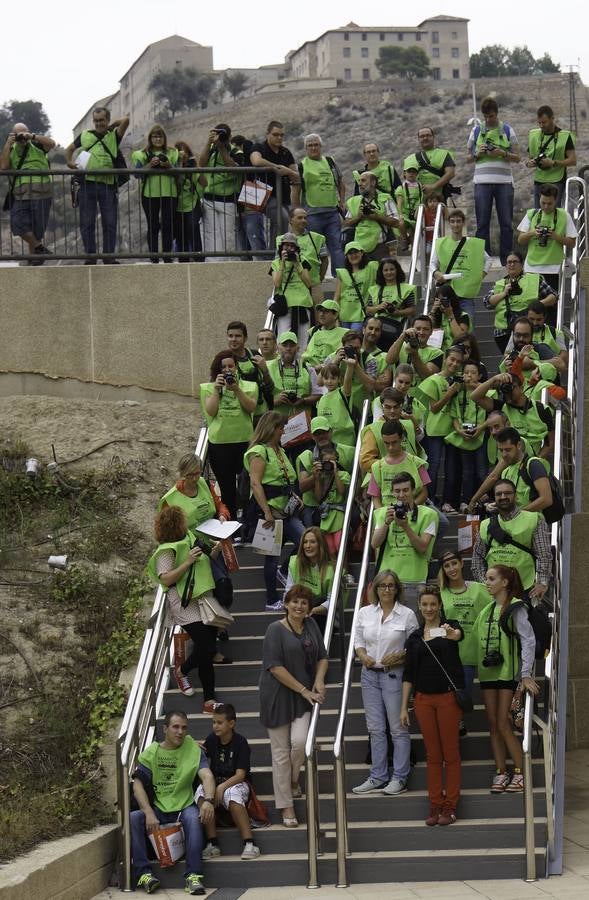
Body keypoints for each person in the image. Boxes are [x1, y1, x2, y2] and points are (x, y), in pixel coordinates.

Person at [464, 565, 539, 793]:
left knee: (504, 723)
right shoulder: (486, 609)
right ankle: (501, 772)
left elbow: (528, 641)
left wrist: (525, 674)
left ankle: (520, 772)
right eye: (486, 579)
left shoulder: (515, 607)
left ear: (505, 582)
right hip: (488, 674)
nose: (487, 583)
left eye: (491, 578)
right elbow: (473, 640)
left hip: (508, 673)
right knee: (493, 725)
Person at [259, 585, 328, 826]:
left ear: (309, 608)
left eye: (304, 603)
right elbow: (275, 668)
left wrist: (319, 681)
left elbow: (322, 656)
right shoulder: (274, 630)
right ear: (287, 603)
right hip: (277, 695)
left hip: (304, 695)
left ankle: (293, 779)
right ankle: (286, 807)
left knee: (299, 743)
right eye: (295, 602)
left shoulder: (311, 626)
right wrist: (304, 689)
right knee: (280, 754)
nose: (299, 606)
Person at [158, 452, 233, 663]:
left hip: (213, 543)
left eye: (197, 473)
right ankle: (211, 644)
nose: (194, 478)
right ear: (181, 474)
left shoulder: (203, 483)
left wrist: (222, 516)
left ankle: (218, 625)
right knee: (206, 596)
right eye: (190, 475)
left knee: (224, 589)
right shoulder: (171, 498)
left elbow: (220, 505)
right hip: (191, 552)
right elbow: (165, 530)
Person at [131, 709, 215, 895]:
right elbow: (137, 786)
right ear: (165, 729)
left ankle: (193, 876)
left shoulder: (193, 749)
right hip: (159, 808)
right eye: (175, 727)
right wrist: (149, 813)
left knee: (194, 817)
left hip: (183, 806)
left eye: (184, 728)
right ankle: (144, 874)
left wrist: (208, 800)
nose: (180, 732)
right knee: (133, 818)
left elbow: (207, 776)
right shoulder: (151, 752)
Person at [401, 584, 464, 826]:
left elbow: (458, 636)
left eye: (433, 604)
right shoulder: (415, 638)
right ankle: (435, 804)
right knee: (433, 755)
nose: (429, 608)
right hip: (423, 700)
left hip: (447, 698)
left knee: (451, 753)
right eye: (425, 604)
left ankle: (450, 806)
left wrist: (450, 633)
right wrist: (402, 707)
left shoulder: (451, 627)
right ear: (419, 606)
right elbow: (409, 674)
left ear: (440, 606)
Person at [352, 570, 419, 796]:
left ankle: (400, 777)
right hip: (369, 675)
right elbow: (358, 641)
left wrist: (400, 656)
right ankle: (378, 775)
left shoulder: (407, 614)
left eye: (391, 586)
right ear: (376, 589)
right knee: (375, 729)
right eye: (383, 586)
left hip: (394, 675)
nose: (387, 590)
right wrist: (362, 655)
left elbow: (416, 647)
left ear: (397, 588)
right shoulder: (365, 613)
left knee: (398, 729)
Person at [148, 506, 221, 706]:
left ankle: (193, 681)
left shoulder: (190, 538)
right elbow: (166, 578)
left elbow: (204, 563)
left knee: (207, 647)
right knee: (205, 647)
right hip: (183, 602)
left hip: (202, 597)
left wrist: (215, 552)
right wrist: (187, 561)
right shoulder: (166, 551)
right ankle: (204, 692)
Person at [244, 411, 305, 610]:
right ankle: (271, 599)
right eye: (281, 428)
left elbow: (286, 480)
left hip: (287, 510)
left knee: (304, 540)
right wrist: (267, 512)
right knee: (271, 558)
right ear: (271, 428)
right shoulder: (259, 451)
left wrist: (295, 498)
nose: (283, 431)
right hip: (269, 512)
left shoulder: (280, 450)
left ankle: (285, 569)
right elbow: (256, 483)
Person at [65, 105, 130, 264]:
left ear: (107, 120)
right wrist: (69, 163)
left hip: (107, 185)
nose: (99, 123)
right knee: (87, 223)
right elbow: (69, 149)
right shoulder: (85, 135)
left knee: (110, 222)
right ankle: (91, 256)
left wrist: (111, 126)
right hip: (87, 185)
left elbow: (126, 120)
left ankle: (108, 257)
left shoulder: (114, 136)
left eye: (102, 120)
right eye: (96, 120)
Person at [471, 479, 552, 602]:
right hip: (494, 595)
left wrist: (542, 582)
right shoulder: (485, 525)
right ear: (495, 498)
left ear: (516, 496)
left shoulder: (534, 519)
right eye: (499, 494)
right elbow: (477, 559)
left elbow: (543, 554)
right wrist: (486, 585)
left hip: (525, 589)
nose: (503, 497)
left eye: (507, 493)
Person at [199, 703, 261, 861]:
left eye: (219, 723)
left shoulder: (240, 742)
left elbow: (241, 775)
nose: (215, 726)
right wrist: (191, 744)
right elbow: (202, 756)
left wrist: (222, 787)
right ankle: (212, 843)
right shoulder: (212, 739)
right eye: (213, 722)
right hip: (217, 783)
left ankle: (249, 843)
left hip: (237, 783)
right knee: (202, 792)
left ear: (231, 723)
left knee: (232, 794)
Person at [200, 350, 258, 519]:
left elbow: (251, 407)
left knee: (247, 486)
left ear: (236, 367)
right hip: (220, 444)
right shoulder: (208, 388)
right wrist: (217, 390)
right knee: (227, 488)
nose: (227, 370)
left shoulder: (249, 386)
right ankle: (231, 526)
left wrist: (237, 389)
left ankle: (247, 522)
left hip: (244, 441)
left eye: (230, 366)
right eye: (223, 367)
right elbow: (210, 412)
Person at [371, 472, 438, 610]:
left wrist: (405, 526)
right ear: (392, 492)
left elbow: (422, 547)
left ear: (413, 490)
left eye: (406, 490)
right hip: (387, 582)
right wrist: (386, 523)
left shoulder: (429, 514)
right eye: (397, 491)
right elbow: (374, 543)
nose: (401, 495)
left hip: (414, 581)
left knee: (412, 628)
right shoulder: (383, 513)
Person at [467, 96, 520, 265]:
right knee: (482, 223)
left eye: (491, 116)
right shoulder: (475, 131)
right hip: (482, 183)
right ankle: (485, 260)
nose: (489, 119)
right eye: (486, 116)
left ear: (497, 113)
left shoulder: (507, 130)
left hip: (504, 183)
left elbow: (518, 157)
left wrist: (501, 153)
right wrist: (478, 153)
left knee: (506, 223)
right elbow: (467, 158)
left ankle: (507, 260)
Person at [438, 551, 490, 716]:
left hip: (483, 651)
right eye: (447, 566)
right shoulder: (440, 593)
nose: (451, 568)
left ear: (462, 563)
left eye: (454, 563)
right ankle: (458, 722)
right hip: (457, 655)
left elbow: (499, 608)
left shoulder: (479, 589)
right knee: (461, 697)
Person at [417, 345, 466, 509]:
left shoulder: (460, 380)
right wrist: (450, 392)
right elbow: (434, 408)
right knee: (434, 466)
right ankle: (429, 499)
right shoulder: (433, 380)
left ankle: (448, 501)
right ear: (445, 359)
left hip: (453, 429)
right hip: (435, 429)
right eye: (452, 359)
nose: (454, 364)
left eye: (458, 362)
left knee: (452, 467)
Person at [0, 122, 55, 263]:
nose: (21, 137)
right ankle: (39, 248)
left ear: (29, 132)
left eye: (23, 133)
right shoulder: (11, 149)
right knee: (17, 223)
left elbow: (52, 143)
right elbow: (3, 166)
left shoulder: (37, 145)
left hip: (42, 193)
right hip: (20, 194)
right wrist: (7, 144)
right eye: (18, 134)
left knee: (37, 230)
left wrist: (32, 136)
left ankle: (35, 260)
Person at [468, 426, 553, 515]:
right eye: (501, 450)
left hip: (533, 524)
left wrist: (517, 514)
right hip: (513, 523)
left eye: (508, 450)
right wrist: (497, 505)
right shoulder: (505, 471)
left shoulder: (533, 465)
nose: (504, 454)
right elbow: (512, 501)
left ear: (519, 445)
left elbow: (546, 499)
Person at [291, 133, 345, 274]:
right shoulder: (301, 166)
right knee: (314, 248)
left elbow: (340, 183)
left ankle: (340, 278)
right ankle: (314, 277)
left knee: (337, 247)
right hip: (312, 215)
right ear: (306, 148)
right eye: (310, 145)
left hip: (332, 213)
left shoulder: (330, 162)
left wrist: (342, 201)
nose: (314, 148)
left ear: (321, 146)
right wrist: (297, 212)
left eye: (316, 145)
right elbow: (295, 191)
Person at [484, 251, 557, 352]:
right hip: (505, 332)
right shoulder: (500, 284)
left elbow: (553, 296)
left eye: (515, 262)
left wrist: (537, 306)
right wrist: (504, 293)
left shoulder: (534, 279)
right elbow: (487, 302)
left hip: (530, 330)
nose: (512, 264)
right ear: (506, 266)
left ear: (522, 265)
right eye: (509, 262)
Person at [471, 370, 554, 458]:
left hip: (530, 461)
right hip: (507, 461)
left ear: (521, 388)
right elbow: (475, 397)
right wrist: (494, 379)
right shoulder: (502, 407)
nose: (508, 392)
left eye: (511, 387)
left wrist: (536, 460)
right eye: (504, 388)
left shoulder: (541, 409)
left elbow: (550, 441)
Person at [444, 359, 488, 512]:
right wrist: (459, 431)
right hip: (463, 436)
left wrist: (480, 429)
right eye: (466, 372)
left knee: (482, 471)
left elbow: (491, 412)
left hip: (481, 436)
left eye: (473, 373)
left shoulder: (486, 391)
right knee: (467, 471)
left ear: (480, 376)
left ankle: (485, 500)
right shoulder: (458, 393)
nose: (469, 375)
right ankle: (465, 501)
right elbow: (454, 416)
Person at [517, 183, 577, 293]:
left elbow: (572, 243)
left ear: (555, 201)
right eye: (543, 202)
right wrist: (533, 233)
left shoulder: (564, 215)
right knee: (533, 305)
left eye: (549, 203)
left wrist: (555, 236)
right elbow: (520, 240)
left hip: (554, 268)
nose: (545, 206)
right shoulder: (531, 214)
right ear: (539, 197)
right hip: (532, 267)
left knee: (552, 305)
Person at [296, 416, 355, 528]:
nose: (321, 436)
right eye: (317, 434)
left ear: (331, 431)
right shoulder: (306, 456)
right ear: (312, 436)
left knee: (356, 517)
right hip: (315, 506)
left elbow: (358, 479)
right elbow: (302, 487)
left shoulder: (348, 452)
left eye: (324, 432)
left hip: (342, 503)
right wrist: (315, 476)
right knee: (310, 525)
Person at [431, 209, 488, 321]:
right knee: (446, 325)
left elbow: (488, 260)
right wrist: (435, 272)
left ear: (463, 223)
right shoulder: (441, 243)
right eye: (452, 221)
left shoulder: (473, 243)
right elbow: (433, 262)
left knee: (468, 326)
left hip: (466, 293)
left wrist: (480, 275)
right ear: (449, 223)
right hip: (447, 290)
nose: (456, 224)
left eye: (458, 221)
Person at [132, 125, 179, 263]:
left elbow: (178, 173)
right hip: (149, 194)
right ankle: (153, 256)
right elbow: (137, 174)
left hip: (169, 193)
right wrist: (150, 165)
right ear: (150, 138)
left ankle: (167, 255)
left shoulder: (173, 152)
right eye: (155, 136)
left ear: (164, 138)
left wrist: (168, 166)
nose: (157, 139)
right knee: (152, 225)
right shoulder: (141, 154)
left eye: (160, 136)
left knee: (167, 225)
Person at [249, 120, 299, 249]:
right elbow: (256, 161)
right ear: (268, 134)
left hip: (284, 196)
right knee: (280, 218)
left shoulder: (286, 153)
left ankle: (276, 251)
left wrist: (286, 171)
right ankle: (275, 252)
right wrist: (276, 167)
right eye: (276, 134)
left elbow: (295, 174)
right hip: (263, 195)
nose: (279, 138)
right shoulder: (259, 147)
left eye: (282, 135)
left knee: (283, 222)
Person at [198, 124, 244, 260]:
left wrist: (222, 147)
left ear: (230, 137)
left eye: (223, 135)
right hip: (208, 199)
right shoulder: (211, 150)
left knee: (227, 238)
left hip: (227, 201)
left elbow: (232, 169)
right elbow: (201, 163)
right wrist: (209, 142)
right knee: (210, 235)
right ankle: (212, 265)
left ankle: (227, 265)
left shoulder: (236, 152)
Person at [367, 420, 430, 509]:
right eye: (387, 443)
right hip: (388, 515)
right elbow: (375, 498)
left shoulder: (416, 463)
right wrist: (384, 514)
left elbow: (424, 493)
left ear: (402, 438)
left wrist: (409, 508)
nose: (390, 447)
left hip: (415, 512)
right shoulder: (377, 467)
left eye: (394, 442)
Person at [285, 527, 336, 633]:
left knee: (312, 618)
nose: (308, 546)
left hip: (319, 612)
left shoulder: (331, 569)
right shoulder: (295, 563)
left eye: (312, 542)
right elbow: (288, 592)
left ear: (320, 545)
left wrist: (312, 610)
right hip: (299, 607)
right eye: (305, 542)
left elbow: (333, 601)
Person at [361, 387, 423, 472]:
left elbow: (415, 454)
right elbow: (366, 462)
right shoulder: (372, 430)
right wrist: (394, 466)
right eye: (388, 407)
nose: (392, 411)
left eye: (396, 407)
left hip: (409, 479)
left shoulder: (408, 425)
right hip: (384, 479)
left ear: (402, 406)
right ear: (382, 407)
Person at [526, 105, 576, 207]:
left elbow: (573, 160)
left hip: (557, 181)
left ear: (552, 118)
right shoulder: (533, 135)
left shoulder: (565, 136)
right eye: (539, 122)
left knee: (553, 213)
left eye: (544, 122)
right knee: (538, 213)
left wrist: (553, 163)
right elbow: (530, 158)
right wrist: (529, 163)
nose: (541, 125)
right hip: (539, 181)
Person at [270, 232, 314, 347]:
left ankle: (300, 364)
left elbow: (309, 283)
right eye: (286, 245)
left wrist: (297, 264)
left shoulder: (302, 260)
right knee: (283, 339)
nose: (289, 248)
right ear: (281, 247)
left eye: (291, 245)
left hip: (302, 304)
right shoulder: (276, 263)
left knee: (303, 342)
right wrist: (282, 265)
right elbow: (277, 283)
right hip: (285, 306)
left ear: (296, 248)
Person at [343, 171, 400, 260]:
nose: (360, 184)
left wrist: (377, 217)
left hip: (380, 247)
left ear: (373, 183)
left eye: (363, 181)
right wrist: (358, 217)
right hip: (359, 249)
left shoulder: (385, 199)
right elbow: (346, 223)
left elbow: (396, 222)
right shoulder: (354, 201)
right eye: (359, 181)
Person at [277, 207, 328, 304]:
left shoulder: (318, 238)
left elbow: (325, 260)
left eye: (305, 218)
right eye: (299, 218)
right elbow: (277, 263)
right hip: (290, 287)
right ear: (290, 220)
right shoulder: (280, 240)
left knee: (319, 318)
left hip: (313, 285)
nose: (303, 220)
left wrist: (320, 278)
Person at [365, 257, 417, 351]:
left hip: (396, 325)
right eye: (386, 270)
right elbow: (368, 309)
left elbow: (412, 310)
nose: (389, 272)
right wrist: (379, 307)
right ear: (381, 272)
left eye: (392, 269)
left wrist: (397, 312)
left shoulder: (407, 289)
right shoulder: (374, 289)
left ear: (397, 270)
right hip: (376, 325)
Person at [266, 330, 317, 420]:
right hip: (275, 422)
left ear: (297, 348)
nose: (288, 348)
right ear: (278, 347)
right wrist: (273, 401)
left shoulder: (307, 368)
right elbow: (257, 398)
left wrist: (303, 401)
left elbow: (319, 394)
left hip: (302, 424)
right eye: (285, 345)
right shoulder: (267, 367)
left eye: (292, 345)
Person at [405, 126, 457, 203]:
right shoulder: (409, 159)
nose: (425, 138)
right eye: (422, 136)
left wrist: (434, 186)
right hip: (416, 201)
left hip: (438, 198)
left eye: (428, 135)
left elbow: (451, 173)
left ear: (433, 137)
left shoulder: (444, 154)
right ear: (418, 139)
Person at [333, 241, 379, 330]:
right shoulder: (342, 272)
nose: (353, 255)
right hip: (344, 314)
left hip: (360, 315)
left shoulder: (371, 267)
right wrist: (334, 316)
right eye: (350, 253)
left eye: (356, 252)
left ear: (362, 253)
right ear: (346, 256)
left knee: (354, 339)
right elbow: (337, 297)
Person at [386, 316, 443, 386]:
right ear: (411, 329)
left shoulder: (437, 353)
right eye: (418, 329)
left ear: (431, 332)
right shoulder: (400, 345)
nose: (421, 332)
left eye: (425, 329)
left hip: (420, 395)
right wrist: (402, 336)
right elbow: (389, 360)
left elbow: (427, 377)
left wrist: (414, 353)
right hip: (398, 393)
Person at [174, 140, 206, 261]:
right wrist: (179, 165)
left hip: (192, 204)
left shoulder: (192, 168)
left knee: (194, 231)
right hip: (177, 206)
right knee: (180, 236)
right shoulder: (172, 168)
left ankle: (198, 260)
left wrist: (197, 166)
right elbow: (176, 184)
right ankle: (183, 261)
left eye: (186, 152)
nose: (184, 155)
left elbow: (204, 183)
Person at [316, 360, 356, 446]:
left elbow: (348, 380)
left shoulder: (343, 392)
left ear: (339, 379)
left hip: (345, 441)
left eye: (333, 378)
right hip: (327, 443)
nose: (329, 381)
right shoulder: (322, 399)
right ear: (322, 379)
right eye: (326, 378)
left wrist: (350, 367)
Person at [300, 300, 347, 371]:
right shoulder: (313, 330)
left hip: (330, 372)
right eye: (320, 311)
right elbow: (306, 353)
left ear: (335, 315)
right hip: (310, 370)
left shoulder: (345, 333)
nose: (321, 314)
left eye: (326, 311)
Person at [430, 283, 471, 350]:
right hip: (439, 353)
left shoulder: (463, 316)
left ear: (451, 300)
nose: (442, 304)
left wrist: (450, 315)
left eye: (444, 300)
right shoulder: (437, 316)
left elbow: (461, 337)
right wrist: (433, 310)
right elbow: (425, 328)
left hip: (458, 353)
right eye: (439, 300)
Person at [395, 162, 424, 248]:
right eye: (409, 171)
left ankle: (414, 254)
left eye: (414, 172)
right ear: (404, 173)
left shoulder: (420, 187)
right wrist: (400, 215)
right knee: (401, 223)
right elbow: (399, 204)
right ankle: (404, 239)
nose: (411, 174)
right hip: (405, 215)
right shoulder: (401, 188)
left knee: (415, 239)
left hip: (415, 215)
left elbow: (421, 201)